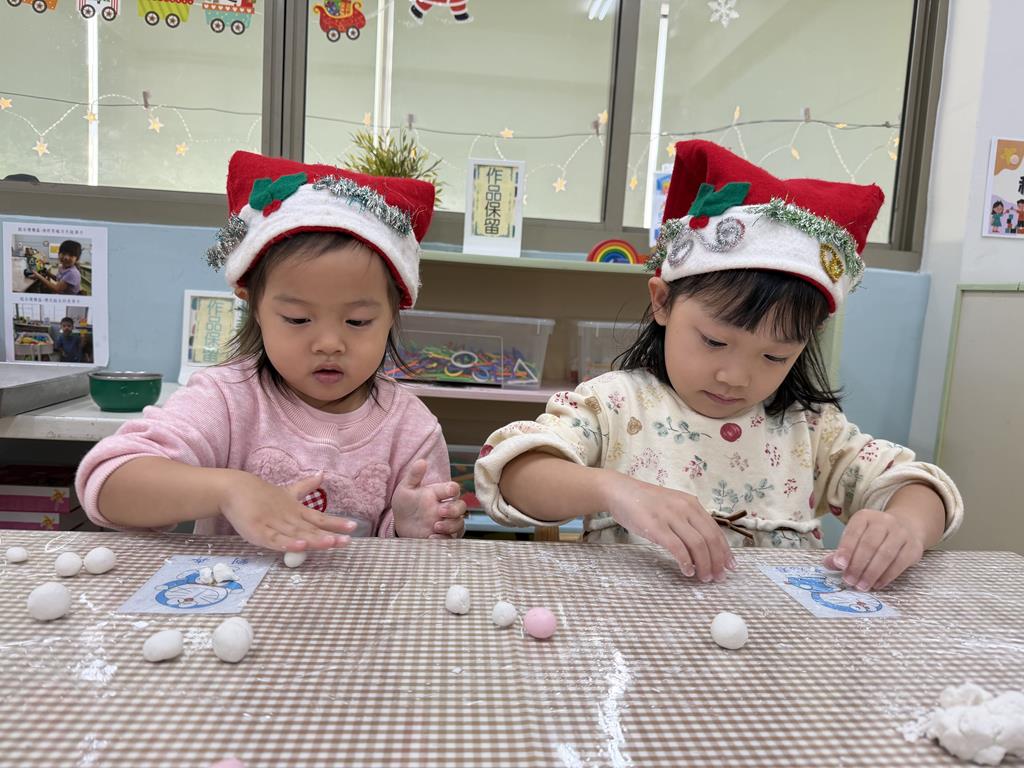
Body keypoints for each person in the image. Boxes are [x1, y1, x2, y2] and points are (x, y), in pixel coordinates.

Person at [475, 140, 962, 591]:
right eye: (713, 341)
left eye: (774, 356)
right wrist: (614, 490)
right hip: (632, 636)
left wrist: (905, 525)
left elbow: (921, 487)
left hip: (772, 640)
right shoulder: (615, 405)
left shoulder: (811, 429)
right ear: (662, 302)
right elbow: (515, 471)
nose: (736, 377)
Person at [76, 151, 466, 551]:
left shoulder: (411, 428)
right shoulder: (226, 400)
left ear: (393, 315)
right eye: (298, 319)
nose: (329, 343)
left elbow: (421, 561)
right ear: (255, 309)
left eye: (357, 321)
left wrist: (409, 528)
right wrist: (228, 490)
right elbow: (108, 483)